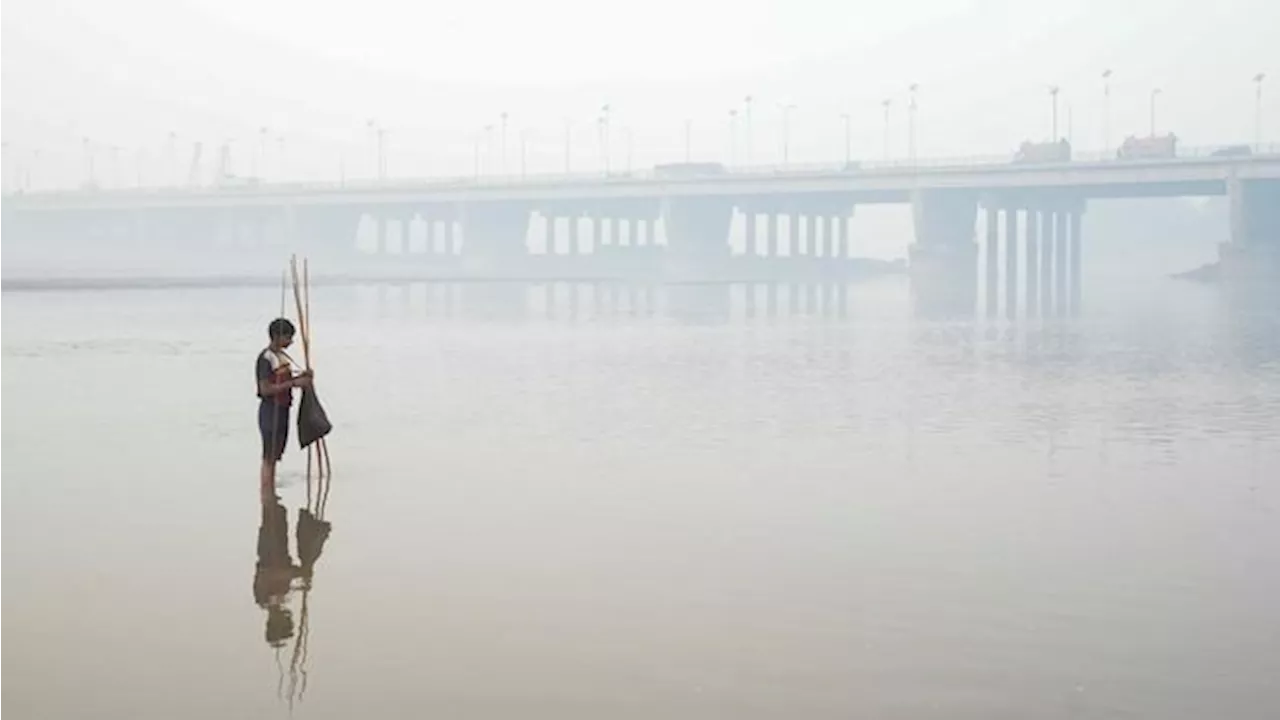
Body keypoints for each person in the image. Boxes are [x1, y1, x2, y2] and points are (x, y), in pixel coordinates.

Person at [256, 318, 312, 499]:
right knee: (268, 456)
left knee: (276, 454)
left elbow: (288, 379)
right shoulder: (266, 358)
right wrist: (294, 383)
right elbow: (265, 389)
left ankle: (271, 494)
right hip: (270, 410)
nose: (291, 341)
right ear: (277, 336)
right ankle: (266, 493)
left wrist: (303, 377)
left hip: (283, 410)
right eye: (288, 337)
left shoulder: (283, 357)